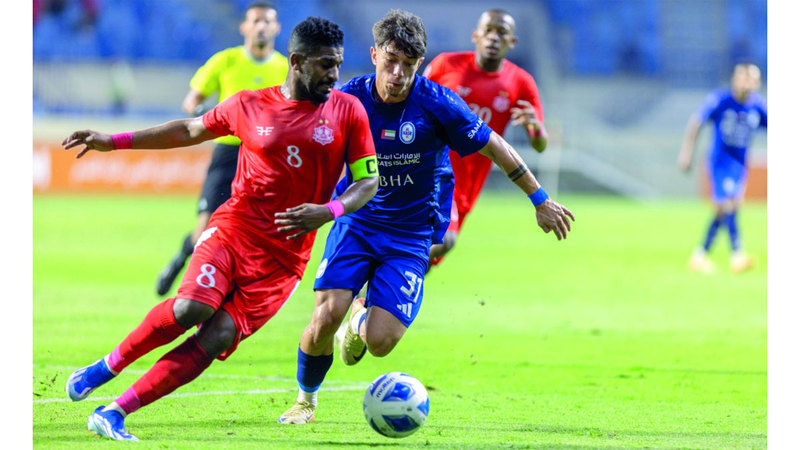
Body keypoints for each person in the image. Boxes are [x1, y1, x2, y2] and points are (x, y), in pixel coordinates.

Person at [62, 17, 379, 441]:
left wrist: (331, 210)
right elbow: (190, 129)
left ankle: (115, 412)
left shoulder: (348, 111)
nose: (335, 74)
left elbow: (368, 180)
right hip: (234, 231)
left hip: (284, 259)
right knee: (191, 308)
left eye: (338, 64)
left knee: (218, 336)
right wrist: (115, 140)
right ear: (298, 61)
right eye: (325, 65)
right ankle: (107, 366)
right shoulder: (250, 104)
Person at [277, 9, 574, 425]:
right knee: (325, 315)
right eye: (391, 61)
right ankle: (305, 401)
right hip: (357, 222)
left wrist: (540, 199)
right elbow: (307, 140)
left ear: (420, 62)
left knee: (380, 343)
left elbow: (496, 147)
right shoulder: (350, 99)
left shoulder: (438, 103)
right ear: (374, 54)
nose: (398, 73)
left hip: (411, 233)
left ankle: (361, 320)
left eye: (409, 64)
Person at [155, 1, 289, 296]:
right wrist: (206, 111)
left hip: (264, 158)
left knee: (255, 233)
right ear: (244, 27)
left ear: (277, 28)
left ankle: (230, 293)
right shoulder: (225, 61)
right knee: (205, 230)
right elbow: (191, 101)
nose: (262, 27)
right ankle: (182, 260)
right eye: (256, 21)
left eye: (268, 21)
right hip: (228, 151)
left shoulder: (284, 68)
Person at [423, 8, 548, 267]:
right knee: (445, 240)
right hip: (434, 171)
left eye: (501, 33)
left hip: (470, 182)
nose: (493, 37)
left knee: (429, 262)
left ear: (512, 42)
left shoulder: (520, 82)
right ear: (476, 35)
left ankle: (373, 300)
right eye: (488, 31)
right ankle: (372, 287)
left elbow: (539, 145)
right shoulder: (445, 65)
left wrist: (535, 127)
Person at [678, 63, 767, 273]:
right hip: (720, 162)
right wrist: (687, 152)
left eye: (751, 78)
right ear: (735, 79)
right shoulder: (721, 100)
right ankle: (738, 254)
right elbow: (696, 121)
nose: (747, 83)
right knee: (729, 204)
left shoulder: (757, 107)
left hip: (739, 165)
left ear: (757, 82)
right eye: (743, 77)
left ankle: (700, 255)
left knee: (722, 210)